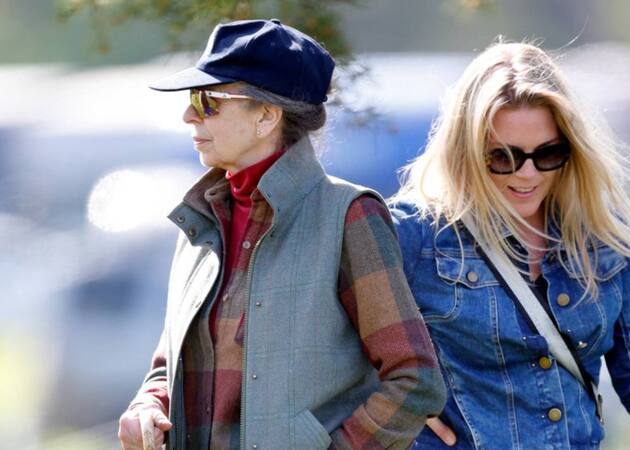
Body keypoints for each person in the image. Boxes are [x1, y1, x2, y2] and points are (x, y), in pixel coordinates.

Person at [117, 19, 446, 450]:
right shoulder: (199, 221)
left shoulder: (349, 216)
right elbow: (169, 365)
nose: (188, 115)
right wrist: (148, 404)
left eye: (208, 101)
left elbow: (415, 380)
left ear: (267, 117)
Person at [390, 41, 630, 449]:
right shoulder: (413, 233)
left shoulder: (601, 237)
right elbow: (332, 337)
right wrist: (394, 402)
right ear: (466, 151)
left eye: (548, 154)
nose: (528, 174)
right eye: (504, 157)